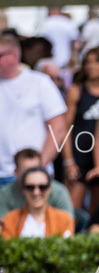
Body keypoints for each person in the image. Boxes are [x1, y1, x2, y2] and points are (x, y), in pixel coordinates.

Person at [0, 33, 67, 187]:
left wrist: (36, 169)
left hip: (30, 180)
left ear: (14, 56)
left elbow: (58, 129)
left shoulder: (39, 83)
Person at [62, 45, 99, 211]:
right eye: (87, 62)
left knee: (97, 212)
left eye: (97, 61)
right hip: (79, 156)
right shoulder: (77, 90)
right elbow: (65, 128)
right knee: (72, 212)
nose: (91, 66)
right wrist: (68, 161)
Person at [1, 166, 74, 239]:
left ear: (50, 188)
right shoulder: (10, 219)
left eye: (42, 187)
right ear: (23, 190)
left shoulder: (64, 219)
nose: (36, 192)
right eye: (30, 187)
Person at [0, 148, 74, 218]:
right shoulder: (5, 194)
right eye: (26, 172)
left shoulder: (59, 191)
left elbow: (68, 223)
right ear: (16, 172)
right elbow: (2, 227)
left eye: (35, 170)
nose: (36, 192)